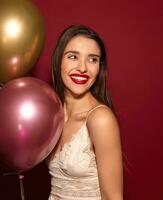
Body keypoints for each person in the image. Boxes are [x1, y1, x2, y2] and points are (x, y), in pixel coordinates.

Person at [47, 24, 123, 200]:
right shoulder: (51, 112)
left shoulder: (100, 118)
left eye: (92, 59)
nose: (82, 68)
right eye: (73, 56)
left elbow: (113, 197)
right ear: (59, 60)